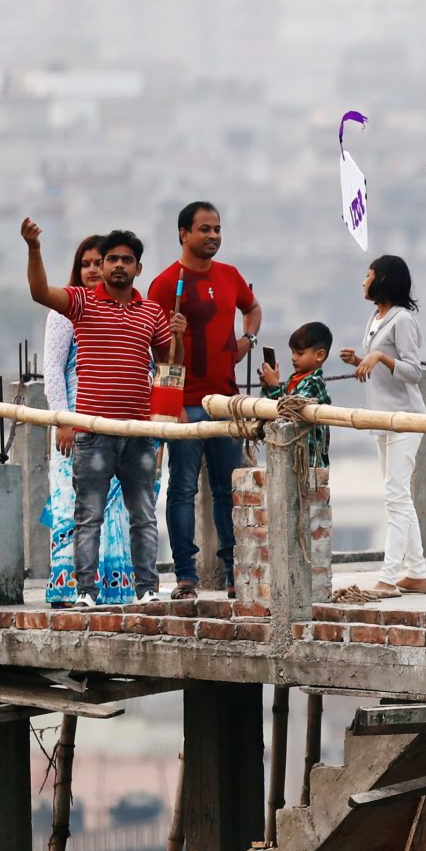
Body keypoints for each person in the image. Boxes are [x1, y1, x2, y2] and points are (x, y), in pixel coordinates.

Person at [21, 219, 174, 603]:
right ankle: (85, 592)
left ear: (138, 267)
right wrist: (34, 249)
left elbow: (169, 368)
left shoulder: (152, 313)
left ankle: (146, 591)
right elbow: (40, 292)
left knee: (142, 517)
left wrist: (164, 424)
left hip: (138, 431)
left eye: (126, 259)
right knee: (88, 517)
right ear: (102, 267)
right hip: (90, 429)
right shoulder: (81, 303)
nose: (117, 265)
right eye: (110, 259)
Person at [151, 203, 262, 597]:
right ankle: (186, 576)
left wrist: (247, 340)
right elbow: (157, 351)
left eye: (217, 229)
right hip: (187, 404)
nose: (213, 235)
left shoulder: (230, 276)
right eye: (204, 229)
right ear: (183, 233)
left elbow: (252, 307)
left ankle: (234, 572)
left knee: (227, 490)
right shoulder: (166, 284)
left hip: (225, 402)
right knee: (181, 489)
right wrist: (172, 404)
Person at [41, 234, 136, 608]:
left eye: (101, 262)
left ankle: (114, 590)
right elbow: (52, 369)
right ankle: (70, 589)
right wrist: (64, 421)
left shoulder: (124, 309)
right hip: (74, 429)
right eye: (87, 264)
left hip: (118, 429)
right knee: (73, 506)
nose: (95, 269)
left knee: (116, 510)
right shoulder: (65, 312)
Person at [344, 254, 426, 597]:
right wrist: (360, 359)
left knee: (396, 496)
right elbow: (377, 361)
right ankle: (417, 572)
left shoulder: (403, 319)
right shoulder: (375, 318)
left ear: (382, 279)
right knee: (397, 496)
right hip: (382, 417)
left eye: (368, 275)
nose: (363, 281)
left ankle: (389, 575)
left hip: (405, 418)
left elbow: (414, 371)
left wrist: (379, 357)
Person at [261, 322, 335, 468]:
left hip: (309, 464)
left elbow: (290, 410)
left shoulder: (314, 383)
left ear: (319, 355)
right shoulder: (293, 380)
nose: (293, 358)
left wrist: (275, 387)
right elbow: (275, 409)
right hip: (290, 458)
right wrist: (268, 388)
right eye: (293, 352)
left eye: (300, 353)